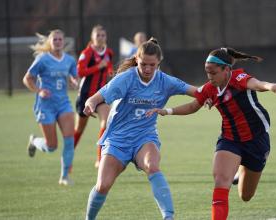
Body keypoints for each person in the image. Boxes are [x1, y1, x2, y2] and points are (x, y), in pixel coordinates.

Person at [147, 47, 276, 220]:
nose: (210, 77)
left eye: (213, 73)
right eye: (207, 73)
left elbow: (258, 85)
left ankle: (240, 168)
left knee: (246, 196)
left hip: (256, 140)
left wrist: (271, 87)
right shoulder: (210, 88)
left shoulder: (238, 78)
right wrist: (167, 111)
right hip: (230, 139)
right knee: (221, 182)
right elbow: (193, 106)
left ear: (226, 70)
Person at [84, 38, 197, 220]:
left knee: (152, 166)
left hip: (145, 137)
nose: (147, 69)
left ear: (159, 62)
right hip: (118, 139)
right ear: (136, 59)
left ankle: (169, 217)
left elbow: (195, 91)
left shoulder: (165, 81)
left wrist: (210, 95)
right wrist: (90, 104)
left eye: (152, 65)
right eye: (143, 64)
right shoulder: (126, 78)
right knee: (103, 185)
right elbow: (97, 97)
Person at [23, 29, 78, 186]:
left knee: (69, 140)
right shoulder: (42, 59)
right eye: (55, 39)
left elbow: (74, 76)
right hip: (45, 105)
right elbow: (27, 79)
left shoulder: (69, 60)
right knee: (51, 146)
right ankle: (34, 141)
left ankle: (64, 176)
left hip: (63, 104)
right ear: (50, 42)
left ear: (63, 42)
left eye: (60, 39)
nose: (58, 42)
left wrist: (74, 81)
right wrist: (39, 90)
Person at [74, 25, 114, 168]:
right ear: (92, 37)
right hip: (85, 97)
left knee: (106, 123)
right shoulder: (87, 52)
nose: (101, 38)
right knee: (79, 129)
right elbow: (80, 72)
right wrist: (98, 67)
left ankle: (99, 159)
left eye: (103, 35)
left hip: (101, 96)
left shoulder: (108, 52)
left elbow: (109, 67)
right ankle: (68, 156)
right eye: (98, 35)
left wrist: (110, 72)